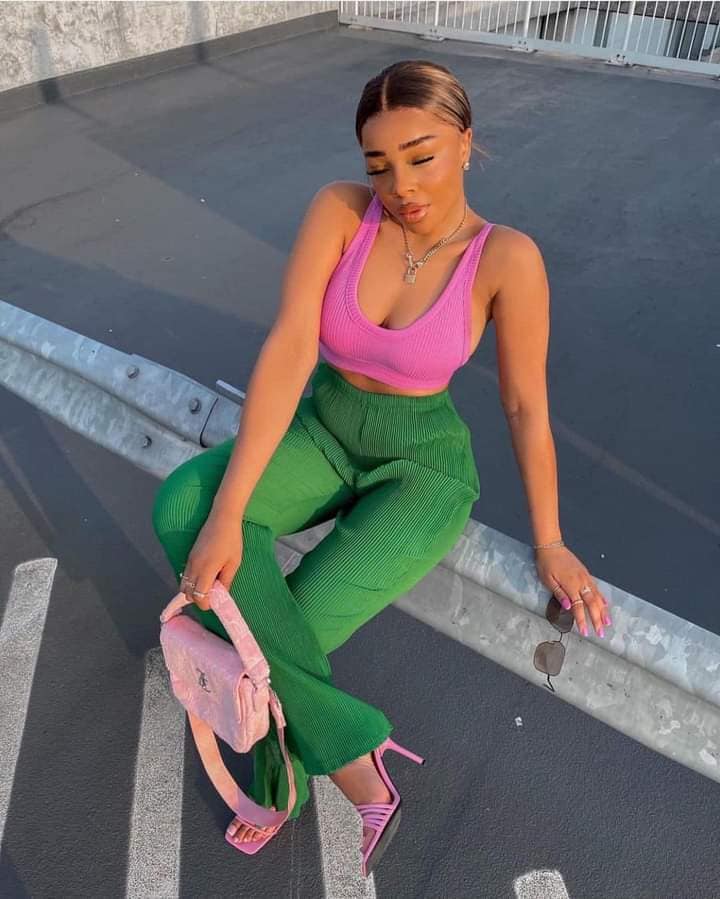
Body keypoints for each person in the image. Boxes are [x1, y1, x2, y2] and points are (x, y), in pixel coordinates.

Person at [151, 58, 612, 877]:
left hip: (422, 467)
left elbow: (524, 406)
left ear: (466, 142)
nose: (401, 185)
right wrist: (227, 514)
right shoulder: (341, 211)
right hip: (324, 426)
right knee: (187, 505)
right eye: (379, 164)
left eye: (421, 155)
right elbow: (291, 345)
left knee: (292, 620)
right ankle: (353, 752)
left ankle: (280, 779)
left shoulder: (505, 258)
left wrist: (549, 538)